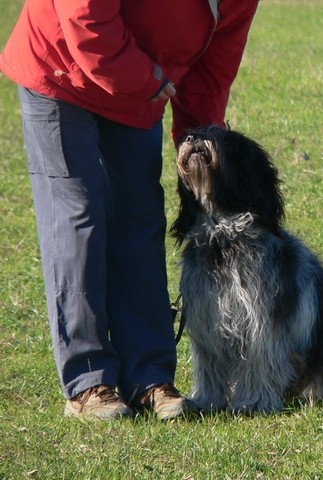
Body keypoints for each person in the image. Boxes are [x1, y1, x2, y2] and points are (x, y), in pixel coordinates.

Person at [0, 0, 259, 420]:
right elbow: (85, 16)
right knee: (79, 218)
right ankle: (88, 382)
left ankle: (149, 378)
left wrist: (198, 148)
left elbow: (212, 72)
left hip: (139, 89)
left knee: (139, 220)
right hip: (62, 66)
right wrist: (145, 77)